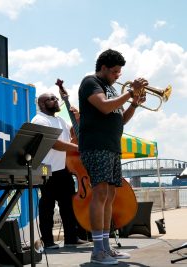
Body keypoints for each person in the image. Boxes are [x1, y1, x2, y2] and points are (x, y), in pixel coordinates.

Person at [78, 49, 147, 265]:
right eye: (115, 72)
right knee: (100, 194)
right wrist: (129, 93)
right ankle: (98, 250)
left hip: (111, 148)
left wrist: (134, 102)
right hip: (96, 146)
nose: (118, 76)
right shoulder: (91, 82)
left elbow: (120, 119)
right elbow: (105, 107)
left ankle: (106, 247)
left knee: (108, 195)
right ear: (104, 68)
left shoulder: (111, 88)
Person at [31, 92, 87, 249]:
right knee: (47, 206)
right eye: (51, 99)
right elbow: (54, 144)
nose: (56, 100)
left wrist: (78, 120)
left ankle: (71, 238)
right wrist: (79, 148)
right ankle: (47, 241)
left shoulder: (60, 120)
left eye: (56, 98)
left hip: (63, 168)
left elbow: (72, 135)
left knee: (68, 205)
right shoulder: (39, 119)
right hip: (46, 168)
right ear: (42, 104)